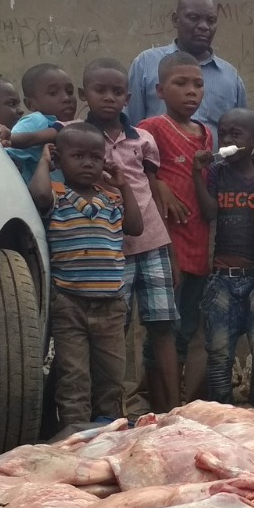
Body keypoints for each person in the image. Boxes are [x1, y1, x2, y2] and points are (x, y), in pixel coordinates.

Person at [81, 57, 180, 413]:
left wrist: (171, 250)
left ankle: (175, 411)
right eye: (100, 90)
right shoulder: (76, 136)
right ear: (84, 94)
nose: (109, 97)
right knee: (111, 330)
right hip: (108, 248)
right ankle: (108, 412)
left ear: (128, 97)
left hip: (152, 242)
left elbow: (152, 188)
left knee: (163, 327)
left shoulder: (143, 139)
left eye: (117, 91)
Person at [29, 123, 143, 427]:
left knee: (111, 373)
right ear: (59, 158)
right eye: (78, 156)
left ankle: (107, 427)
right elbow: (37, 193)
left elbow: (135, 227)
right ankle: (75, 431)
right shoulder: (57, 195)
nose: (88, 163)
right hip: (70, 303)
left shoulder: (112, 200)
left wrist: (124, 186)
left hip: (111, 304)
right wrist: (43, 162)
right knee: (74, 374)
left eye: (95, 157)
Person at [193, 108, 254, 409]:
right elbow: (210, 211)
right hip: (222, 278)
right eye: (223, 134)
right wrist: (197, 174)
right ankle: (221, 413)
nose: (227, 141)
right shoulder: (218, 172)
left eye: (236, 134)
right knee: (219, 353)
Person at [136, 51, 214, 399]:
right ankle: (159, 404)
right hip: (166, 246)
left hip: (198, 245)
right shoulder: (151, 129)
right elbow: (132, 171)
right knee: (163, 329)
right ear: (160, 90)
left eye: (198, 84)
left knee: (186, 330)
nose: (191, 91)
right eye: (180, 83)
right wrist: (160, 185)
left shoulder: (205, 134)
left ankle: (176, 402)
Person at [126, 0, 247, 138]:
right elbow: (131, 128)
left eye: (211, 21)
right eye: (194, 18)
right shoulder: (145, 64)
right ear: (176, 20)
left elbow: (242, 133)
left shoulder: (231, 77)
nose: (204, 26)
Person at [5, 63, 76, 182]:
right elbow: (7, 152)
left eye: (70, 91)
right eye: (53, 93)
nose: (66, 98)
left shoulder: (75, 126)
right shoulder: (37, 121)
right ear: (30, 104)